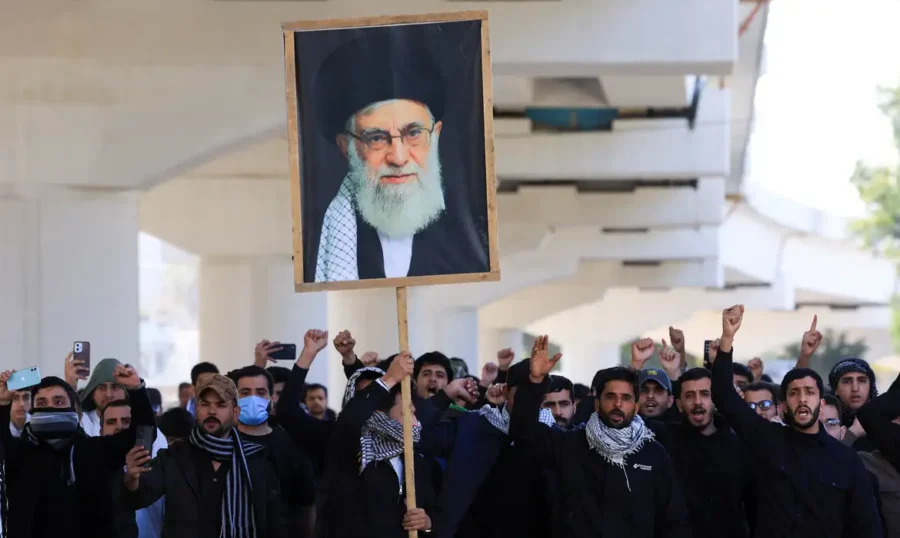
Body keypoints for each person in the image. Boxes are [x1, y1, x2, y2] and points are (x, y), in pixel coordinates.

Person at [311, 31, 488, 282]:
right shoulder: (326, 234)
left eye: (413, 133)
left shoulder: (472, 237)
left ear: (435, 135)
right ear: (346, 147)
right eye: (377, 138)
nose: (398, 157)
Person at [710, 305, 882, 538]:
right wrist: (727, 338)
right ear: (783, 406)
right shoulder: (767, 439)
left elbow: (867, 528)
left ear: (821, 404)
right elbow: (723, 396)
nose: (802, 399)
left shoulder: (846, 460)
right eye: (794, 393)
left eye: (809, 392)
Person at [510, 336, 691, 538]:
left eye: (626, 398)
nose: (618, 404)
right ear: (596, 403)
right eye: (610, 396)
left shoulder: (653, 454)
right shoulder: (569, 444)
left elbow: (674, 521)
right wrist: (534, 382)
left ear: (636, 407)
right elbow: (523, 432)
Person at [122, 374, 286, 538]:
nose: (212, 411)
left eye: (221, 405)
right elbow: (139, 498)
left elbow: (274, 520)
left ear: (236, 413)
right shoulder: (175, 456)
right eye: (205, 404)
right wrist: (132, 478)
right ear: (196, 410)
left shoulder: (255, 458)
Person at [0, 366, 154, 538]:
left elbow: (143, 435)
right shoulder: (20, 454)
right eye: (42, 403)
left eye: (59, 402)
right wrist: (2, 404)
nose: (50, 408)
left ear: (74, 409)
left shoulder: (96, 451)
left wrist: (136, 389)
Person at [319, 353, 437, 537]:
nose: (414, 416)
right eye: (406, 410)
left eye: (413, 409)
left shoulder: (415, 459)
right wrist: (390, 378)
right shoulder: (352, 448)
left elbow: (431, 509)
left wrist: (427, 522)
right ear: (380, 414)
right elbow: (350, 420)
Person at [646, 368, 754, 538]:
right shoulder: (665, 437)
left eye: (705, 394)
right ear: (679, 404)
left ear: (716, 400)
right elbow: (622, 417)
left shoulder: (740, 445)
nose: (697, 402)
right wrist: (636, 365)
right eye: (689, 395)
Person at [228, 366, 316, 537]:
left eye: (260, 392)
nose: (253, 399)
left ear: (271, 397)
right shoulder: (222, 443)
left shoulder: (290, 445)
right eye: (245, 392)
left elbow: (305, 504)